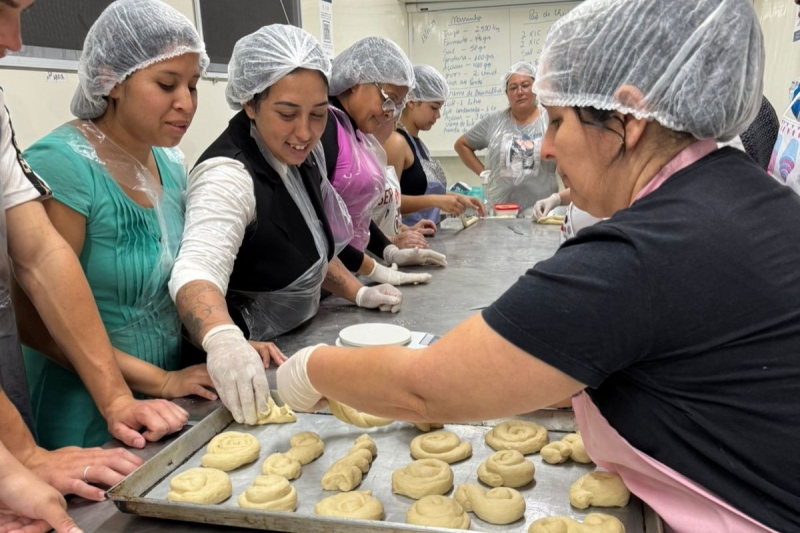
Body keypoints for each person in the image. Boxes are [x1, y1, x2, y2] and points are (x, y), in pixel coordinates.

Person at [276, 0, 800, 531]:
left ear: (627, 120)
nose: (546, 149)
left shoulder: (644, 254)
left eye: (557, 121)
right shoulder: (754, 199)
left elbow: (425, 388)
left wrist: (308, 368)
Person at [168, 25, 406, 426]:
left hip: (294, 341)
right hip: (243, 368)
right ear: (249, 103)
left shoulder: (300, 156)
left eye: (317, 115)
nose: (304, 132)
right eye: (286, 113)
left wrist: (357, 292)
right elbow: (196, 270)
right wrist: (224, 340)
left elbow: (308, 247)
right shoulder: (227, 175)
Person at [15, 0, 212, 450]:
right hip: (80, 409)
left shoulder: (169, 162)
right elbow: (34, 322)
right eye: (166, 84)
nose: (186, 103)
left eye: (194, 85)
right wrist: (158, 381)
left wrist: (220, 340)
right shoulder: (62, 166)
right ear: (112, 79)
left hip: (165, 397)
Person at [322, 37, 447, 287]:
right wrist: (373, 271)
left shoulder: (354, 131)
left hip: (346, 277)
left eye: (397, 104)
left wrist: (388, 250)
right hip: (329, 277)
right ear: (356, 80)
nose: (390, 112)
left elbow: (350, 215)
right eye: (388, 97)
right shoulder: (325, 129)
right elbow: (319, 225)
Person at [383, 64, 484, 227]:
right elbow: (387, 202)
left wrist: (457, 198)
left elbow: (421, 190)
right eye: (433, 107)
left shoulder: (419, 145)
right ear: (411, 101)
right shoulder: (396, 142)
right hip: (408, 236)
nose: (437, 115)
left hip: (430, 234)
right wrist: (436, 201)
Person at [454, 61, 559, 217]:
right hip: (501, 211)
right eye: (513, 88)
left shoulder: (551, 119)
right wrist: (484, 173)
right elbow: (461, 145)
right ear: (507, 93)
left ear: (536, 88)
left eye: (525, 85)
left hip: (541, 210)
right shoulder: (494, 122)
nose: (520, 92)